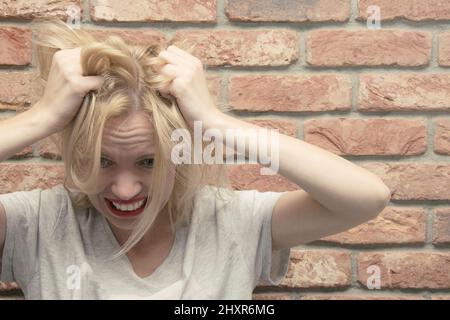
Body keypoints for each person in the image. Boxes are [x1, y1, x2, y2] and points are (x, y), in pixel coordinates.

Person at [0, 19, 391, 300]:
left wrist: (216, 122)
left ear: (179, 154)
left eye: (148, 162)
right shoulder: (38, 223)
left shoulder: (230, 222)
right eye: (103, 162)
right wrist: (43, 117)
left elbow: (366, 197)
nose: (123, 189)